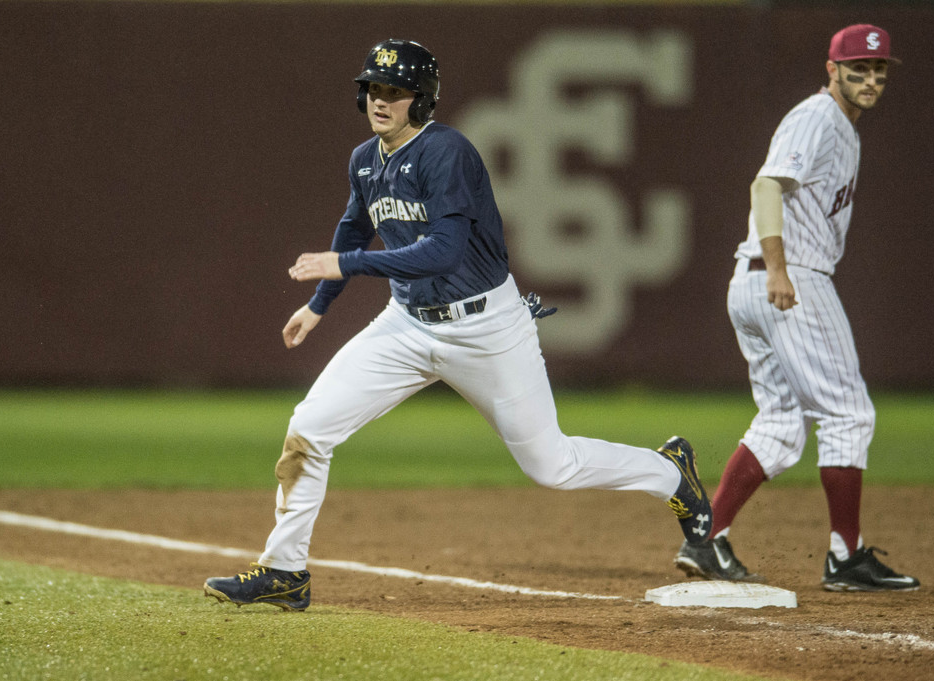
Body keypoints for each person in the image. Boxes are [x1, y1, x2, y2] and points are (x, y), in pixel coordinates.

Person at [203, 38, 712, 611]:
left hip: (486, 328)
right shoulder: (365, 159)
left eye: (395, 90)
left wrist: (346, 266)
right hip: (407, 323)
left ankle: (670, 473)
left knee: (553, 466)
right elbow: (354, 229)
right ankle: (285, 571)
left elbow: (442, 252)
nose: (380, 100)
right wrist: (320, 303)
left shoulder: (448, 152)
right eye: (373, 88)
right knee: (309, 427)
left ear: (422, 99)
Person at [673, 25, 918, 592]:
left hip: (755, 282)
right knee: (848, 415)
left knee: (782, 424)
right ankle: (846, 557)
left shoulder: (842, 129)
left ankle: (706, 540)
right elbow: (765, 188)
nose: (870, 79)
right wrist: (781, 269)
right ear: (832, 70)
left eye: (879, 70)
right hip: (790, 278)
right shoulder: (818, 117)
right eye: (858, 69)